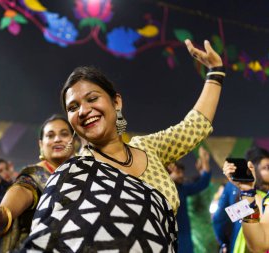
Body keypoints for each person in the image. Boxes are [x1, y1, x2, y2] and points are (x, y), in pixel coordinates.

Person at [17, 38, 224, 252]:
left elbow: (194, 125)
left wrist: (215, 73)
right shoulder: (74, 173)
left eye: (92, 98)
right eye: (73, 107)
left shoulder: (149, 148)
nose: (83, 111)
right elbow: (51, 238)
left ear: (116, 102)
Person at [0, 114, 76, 252]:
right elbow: (23, 189)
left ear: (73, 141)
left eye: (64, 134)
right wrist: (2, 215)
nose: (57, 139)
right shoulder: (34, 175)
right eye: (50, 135)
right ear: (41, 144)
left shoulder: (85, 172)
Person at [215, 147, 269, 253]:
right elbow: (220, 219)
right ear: (254, 169)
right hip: (242, 243)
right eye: (266, 168)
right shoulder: (238, 189)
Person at [168, 146, 211, 253]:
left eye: (182, 172)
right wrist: (168, 180)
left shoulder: (182, 189)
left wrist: (205, 161)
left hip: (184, 238)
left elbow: (203, 183)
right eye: (178, 172)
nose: (182, 175)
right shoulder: (158, 188)